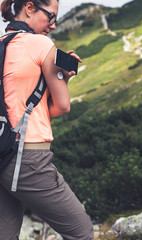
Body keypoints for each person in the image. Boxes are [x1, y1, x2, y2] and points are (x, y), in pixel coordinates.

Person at [0, 0, 94, 239]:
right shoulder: (41, 44)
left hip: (2, 154)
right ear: (30, 8)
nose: (52, 26)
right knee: (82, 232)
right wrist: (63, 78)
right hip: (29, 159)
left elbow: (14, 107)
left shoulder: (1, 43)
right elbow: (61, 106)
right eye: (50, 17)